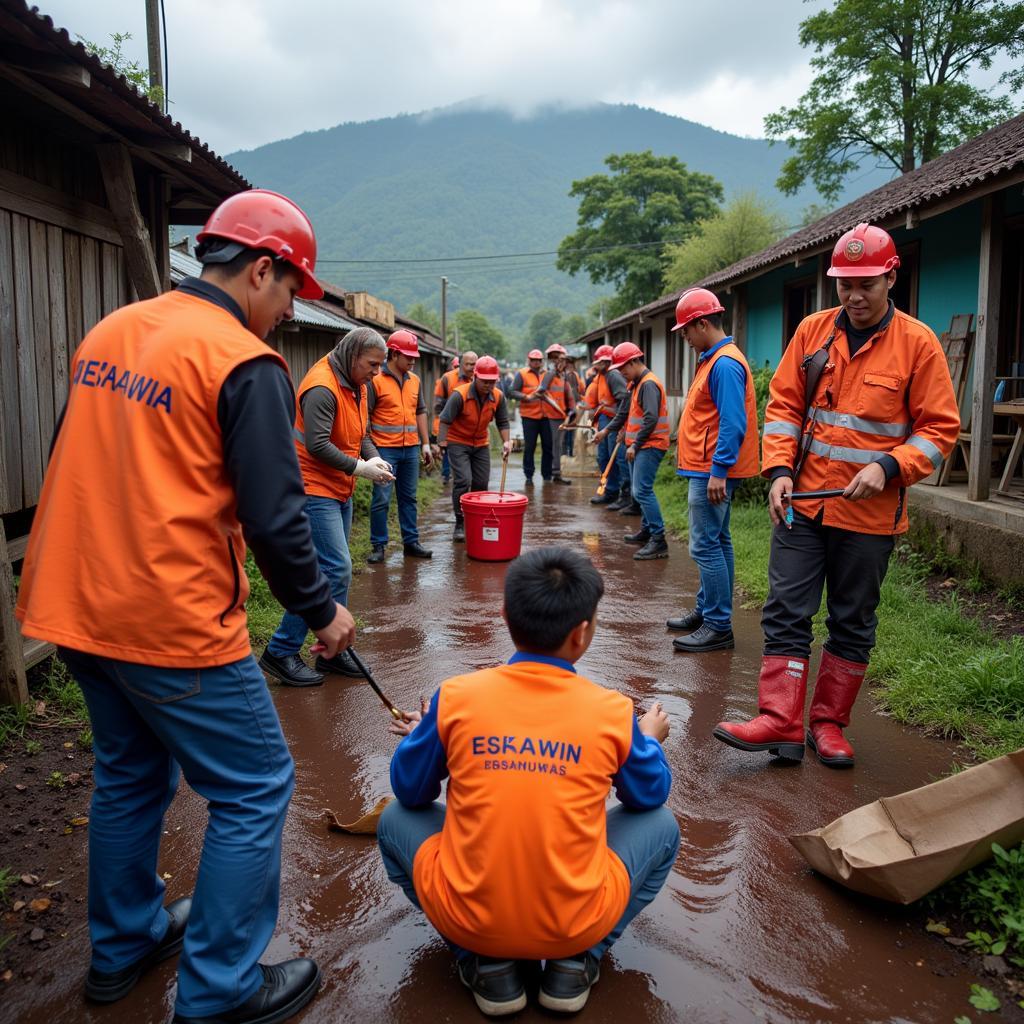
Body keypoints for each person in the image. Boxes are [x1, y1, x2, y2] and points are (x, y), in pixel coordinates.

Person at [15, 189, 355, 1024]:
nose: (284, 315)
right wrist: (323, 614)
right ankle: (220, 992)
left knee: (129, 776)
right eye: (288, 295)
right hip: (167, 619)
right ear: (262, 269)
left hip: (72, 600)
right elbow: (277, 521)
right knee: (254, 786)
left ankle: (123, 943)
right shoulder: (242, 361)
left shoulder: (114, 330)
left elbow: (80, 453)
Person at [377, 546, 678, 1017]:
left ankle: (483, 962)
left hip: (470, 920)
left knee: (395, 818)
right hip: (576, 922)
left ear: (504, 615)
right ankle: (576, 961)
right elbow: (649, 795)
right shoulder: (612, 711)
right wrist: (649, 741)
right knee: (663, 826)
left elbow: (410, 792)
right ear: (582, 634)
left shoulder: (455, 697)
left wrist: (428, 733)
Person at [714, 223, 959, 768]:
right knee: (786, 610)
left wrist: (890, 466)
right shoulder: (812, 332)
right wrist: (777, 471)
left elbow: (940, 430)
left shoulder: (918, 344)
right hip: (803, 504)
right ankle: (779, 721)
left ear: (891, 277)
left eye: (866, 283)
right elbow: (783, 410)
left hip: (869, 515)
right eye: (844, 284)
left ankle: (827, 724)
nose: (854, 295)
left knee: (852, 619)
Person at [259, 328, 394, 685]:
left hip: (340, 487)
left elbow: (361, 433)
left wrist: (374, 458)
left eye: (380, 365)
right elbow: (317, 445)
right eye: (372, 364)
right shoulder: (322, 387)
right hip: (313, 488)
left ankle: (333, 650)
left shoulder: (357, 385)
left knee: (333, 571)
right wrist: (360, 468)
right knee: (334, 569)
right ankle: (281, 650)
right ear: (352, 355)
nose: (377, 372)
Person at [667, 289, 760, 654]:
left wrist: (719, 471)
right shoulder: (715, 359)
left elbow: (733, 423)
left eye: (687, 331)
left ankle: (718, 625)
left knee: (705, 545)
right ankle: (709, 612)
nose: (685, 338)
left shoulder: (723, 364)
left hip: (712, 471)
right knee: (718, 541)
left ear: (703, 323)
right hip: (707, 468)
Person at [594, 342, 671, 560]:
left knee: (642, 491)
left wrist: (635, 444)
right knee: (641, 490)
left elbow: (651, 418)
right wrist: (606, 431)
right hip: (637, 444)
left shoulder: (648, 384)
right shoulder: (634, 384)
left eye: (623, 368)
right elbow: (623, 413)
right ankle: (647, 530)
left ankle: (658, 539)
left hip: (650, 444)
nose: (621, 373)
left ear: (635, 361)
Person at [367, 330, 434, 563]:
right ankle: (378, 545)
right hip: (385, 450)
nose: (413, 361)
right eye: (408, 357)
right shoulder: (375, 380)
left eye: (415, 357)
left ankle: (411, 542)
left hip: (411, 449)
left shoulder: (414, 380)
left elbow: (421, 411)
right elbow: (365, 415)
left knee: (409, 498)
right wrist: (370, 451)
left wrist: (426, 444)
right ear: (394, 354)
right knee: (381, 499)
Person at [438, 355, 512, 541]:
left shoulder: (498, 396)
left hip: (480, 443)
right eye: (485, 381)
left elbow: (503, 421)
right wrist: (441, 443)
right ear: (475, 377)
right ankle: (460, 522)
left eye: (492, 382)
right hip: (458, 442)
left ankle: (476, 520)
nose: (488, 385)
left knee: (481, 483)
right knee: (463, 480)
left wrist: (506, 441)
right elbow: (445, 420)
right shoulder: (459, 394)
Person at [571, 345, 628, 506]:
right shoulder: (601, 376)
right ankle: (609, 491)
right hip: (605, 419)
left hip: (614, 421)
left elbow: (624, 402)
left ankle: (624, 495)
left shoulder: (613, 375)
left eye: (597, 362)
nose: (594, 365)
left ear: (605, 362)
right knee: (603, 457)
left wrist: (617, 421)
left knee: (616, 458)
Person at [508, 348, 552, 485]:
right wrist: (526, 397)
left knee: (548, 446)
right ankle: (528, 475)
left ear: (542, 362)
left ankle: (547, 475)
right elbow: (511, 391)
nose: (536, 363)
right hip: (529, 416)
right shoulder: (521, 374)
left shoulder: (548, 374)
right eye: (533, 360)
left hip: (546, 415)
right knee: (530, 446)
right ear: (529, 361)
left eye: (538, 360)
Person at [434, 352, 476, 484]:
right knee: (448, 453)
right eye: (466, 364)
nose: (469, 367)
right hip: (451, 428)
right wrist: (438, 431)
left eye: (472, 364)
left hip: (472, 430)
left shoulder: (479, 378)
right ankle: (447, 475)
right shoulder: (447, 379)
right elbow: (438, 406)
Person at [541, 342, 573, 484]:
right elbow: (541, 391)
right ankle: (555, 473)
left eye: (562, 360)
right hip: (551, 416)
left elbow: (568, 394)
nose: (560, 362)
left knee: (559, 445)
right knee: (555, 445)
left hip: (561, 415)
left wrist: (572, 409)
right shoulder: (550, 375)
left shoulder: (562, 376)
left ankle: (556, 473)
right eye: (556, 358)